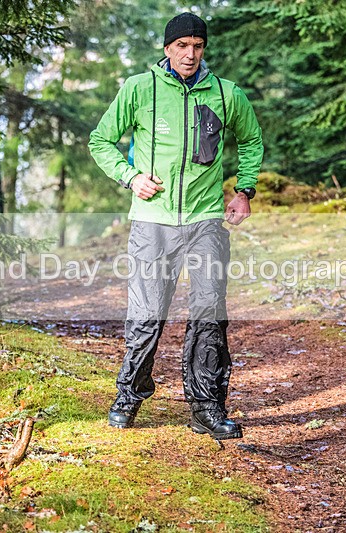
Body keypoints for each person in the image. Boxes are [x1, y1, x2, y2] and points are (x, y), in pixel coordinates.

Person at [88, 12, 263, 440]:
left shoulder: (225, 93)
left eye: (197, 46)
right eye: (182, 46)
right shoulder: (139, 89)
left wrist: (244, 190)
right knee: (147, 313)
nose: (190, 54)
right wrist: (130, 177)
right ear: (167, 49)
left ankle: (206, 407)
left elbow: (252, 140)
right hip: (152, 223)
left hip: (205, 222)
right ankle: (129, 393)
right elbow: (100, 140)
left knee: (209, 313)